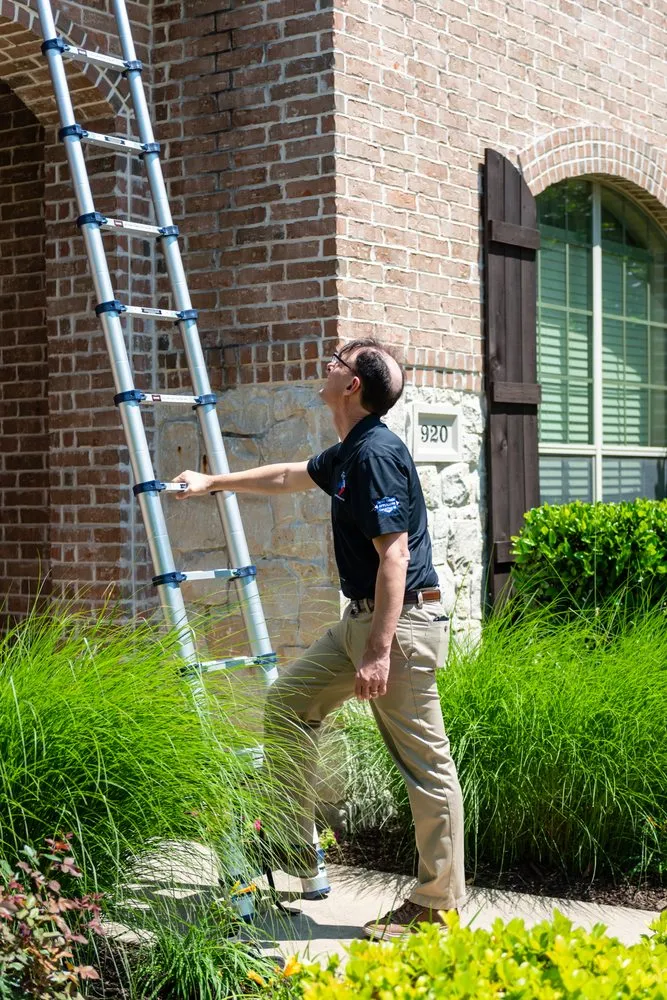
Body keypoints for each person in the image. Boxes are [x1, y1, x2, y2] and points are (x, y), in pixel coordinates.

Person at [174, 338, 466, 938]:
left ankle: (436, 905)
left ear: (352, 384)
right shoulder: (349, 451)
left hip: (399, 623)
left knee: (427, 765)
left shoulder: (375, 455)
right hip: (365, 620)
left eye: (337, 360)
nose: (326, 365)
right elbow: (287, 475)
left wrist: (380, 652)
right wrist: (213, 481)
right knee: (289, 703)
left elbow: (395, 556)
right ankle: (290, 844)